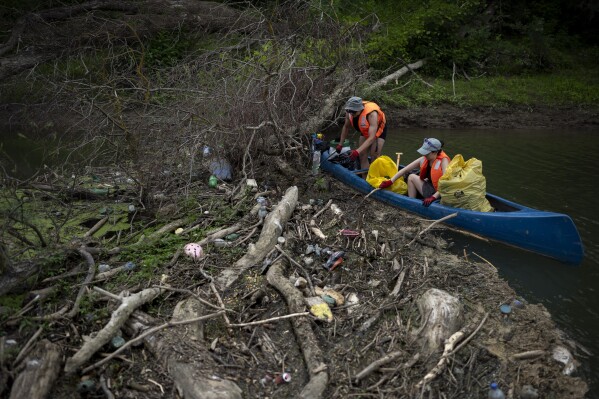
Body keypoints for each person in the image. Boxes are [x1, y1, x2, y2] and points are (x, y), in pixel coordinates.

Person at [378, 138, 450, 207]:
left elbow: (445, 184)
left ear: (435, 152)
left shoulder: (444, 161)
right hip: (431, 188)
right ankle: (412, 201)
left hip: (439, 194)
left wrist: (433, 197)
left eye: (427, 153)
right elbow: (405, 170)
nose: (424, 155)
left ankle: (412, 202)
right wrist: (391, 181)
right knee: (411, 175)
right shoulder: (424, 158)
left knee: (412, 177)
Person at [335, 96, 387, 171]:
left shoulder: (372, 114)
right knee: (362, 155)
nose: (352, 113)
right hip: (365, 129)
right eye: (350, 111)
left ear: (360, 109)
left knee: (374, 156)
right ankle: (364, 178)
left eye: (354, 111)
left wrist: (356, 151)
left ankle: (373, 177)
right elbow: (346, 127)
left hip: (378, 129)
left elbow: (371, 138)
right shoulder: (349, 112)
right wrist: (340, 144)